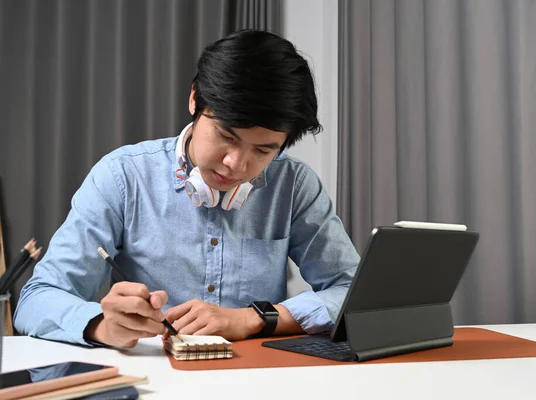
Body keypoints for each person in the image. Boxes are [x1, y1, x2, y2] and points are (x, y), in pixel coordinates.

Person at [13, 29, 359, 348]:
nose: (236, 165)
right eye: (226, 136)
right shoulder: (122, 176)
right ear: (195, 100)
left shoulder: (294, 185)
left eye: (263, 150)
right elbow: (36, 299)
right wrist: (102, 325)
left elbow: (354, 293)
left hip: (256, 380)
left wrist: (254, 319)